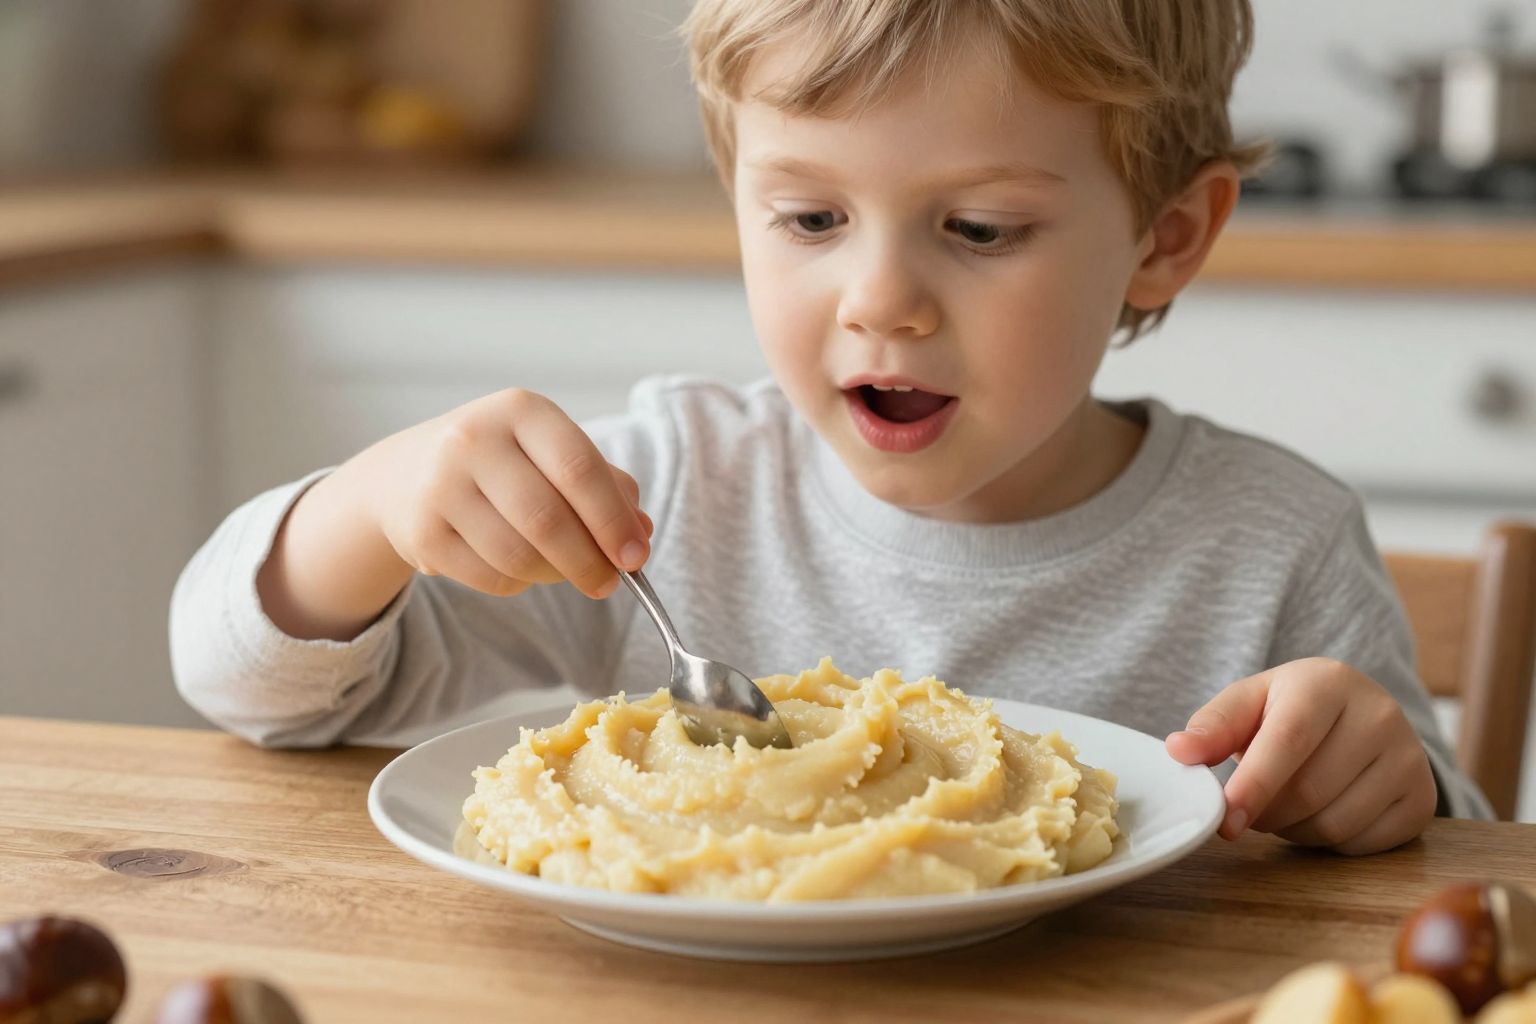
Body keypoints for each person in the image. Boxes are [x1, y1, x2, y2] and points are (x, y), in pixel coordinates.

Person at [171, 0, 1493, 856]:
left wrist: (1386, 787)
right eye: (810, 219)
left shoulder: (1275, 546)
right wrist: (368, 506)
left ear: (1166, 237)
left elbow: (1453, 856)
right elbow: (246, 686)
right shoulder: (666, 493)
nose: (879, 300)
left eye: (979, 229)